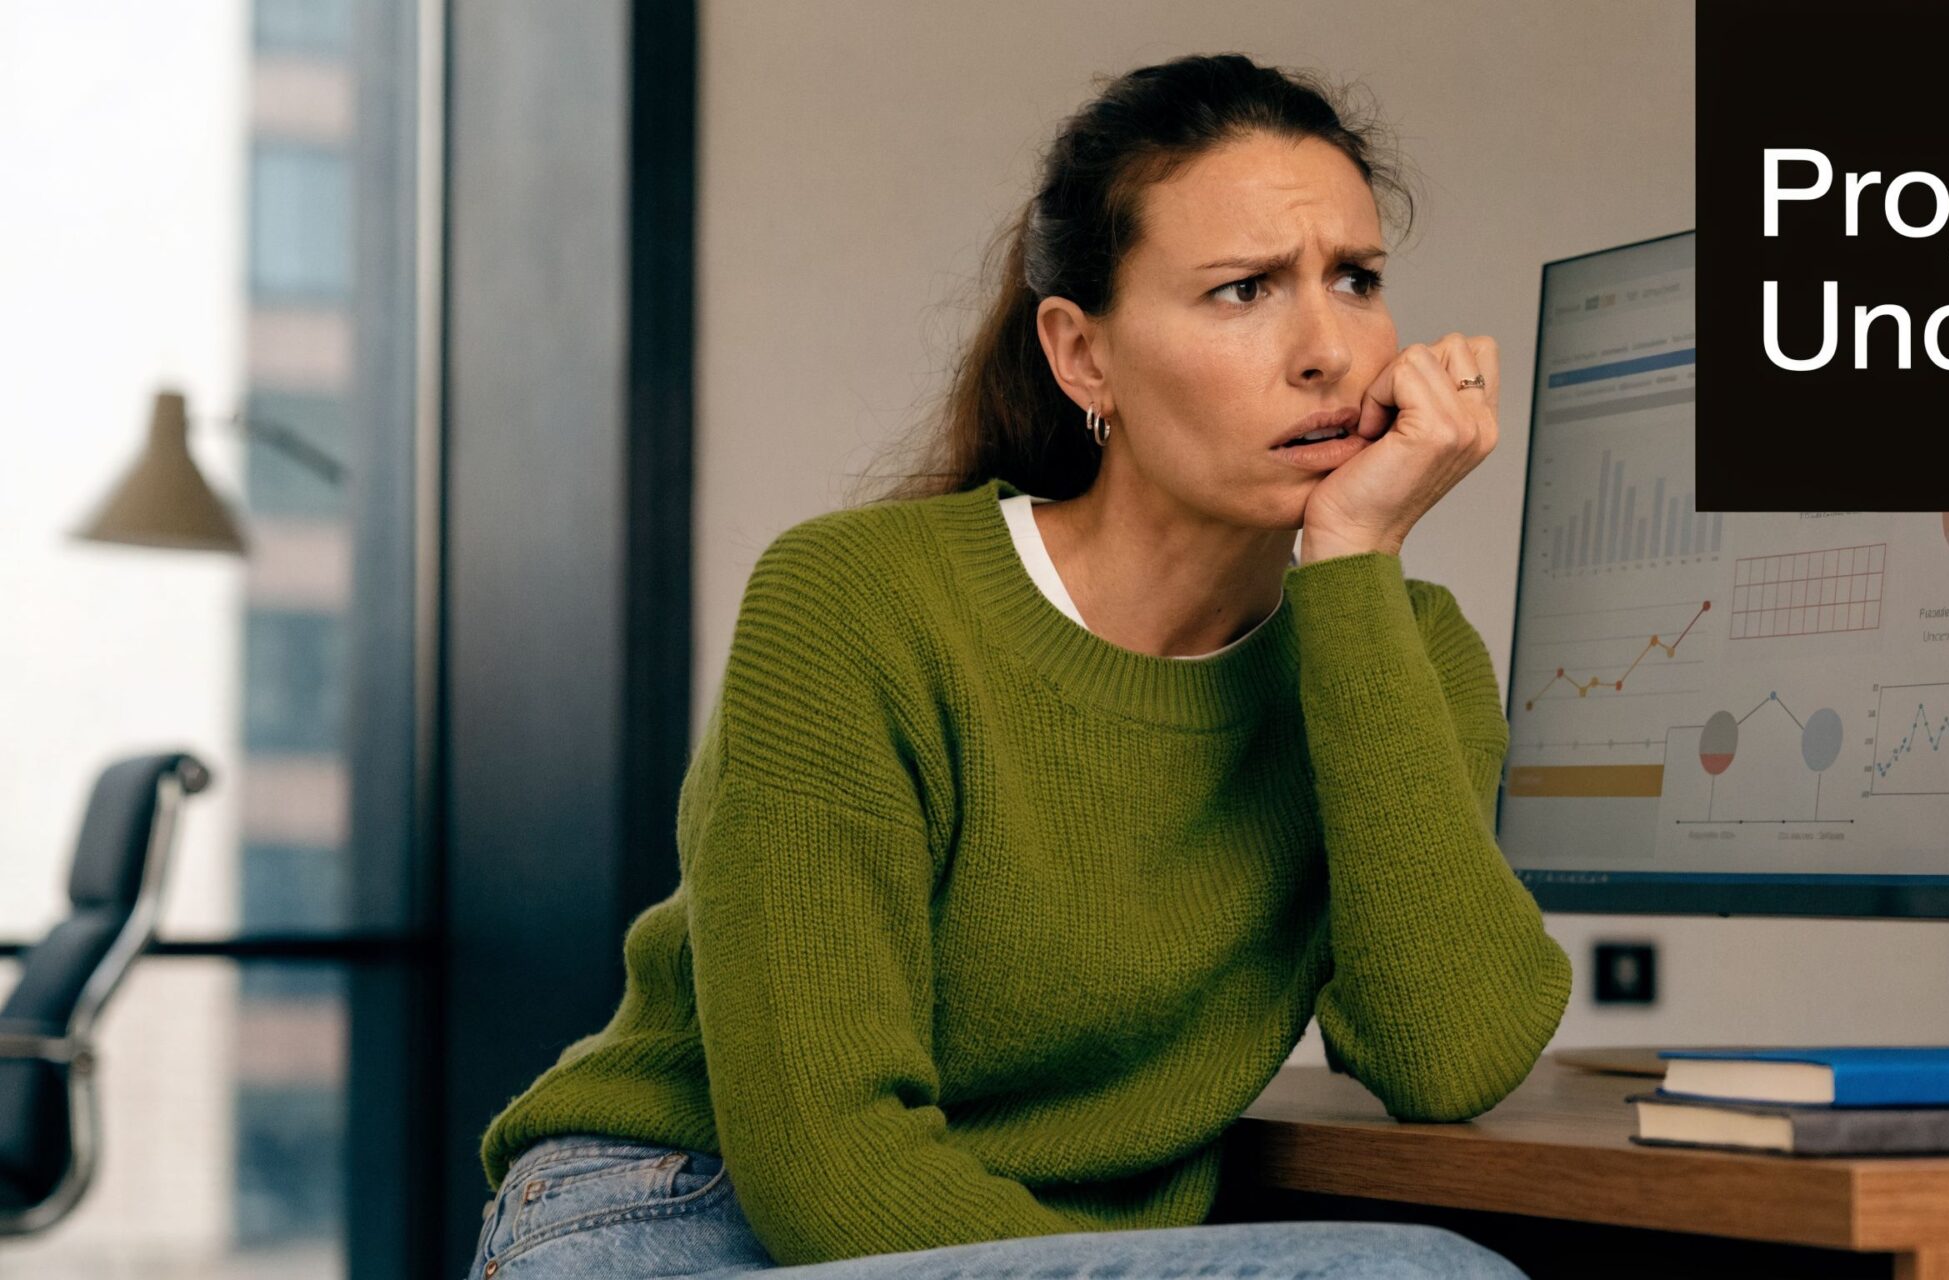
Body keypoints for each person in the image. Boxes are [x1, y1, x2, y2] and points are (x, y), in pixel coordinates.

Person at [465, 52, 1571, 1279]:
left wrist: (1353, 560)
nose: (1326, 349)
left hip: (1025, 1246)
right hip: (679, 1216)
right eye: (1242, 290)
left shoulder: (1402, 650)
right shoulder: (855, 602)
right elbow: (825, 1165)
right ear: (1082, 355)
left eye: (1355, 280)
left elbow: (1448, 1055)